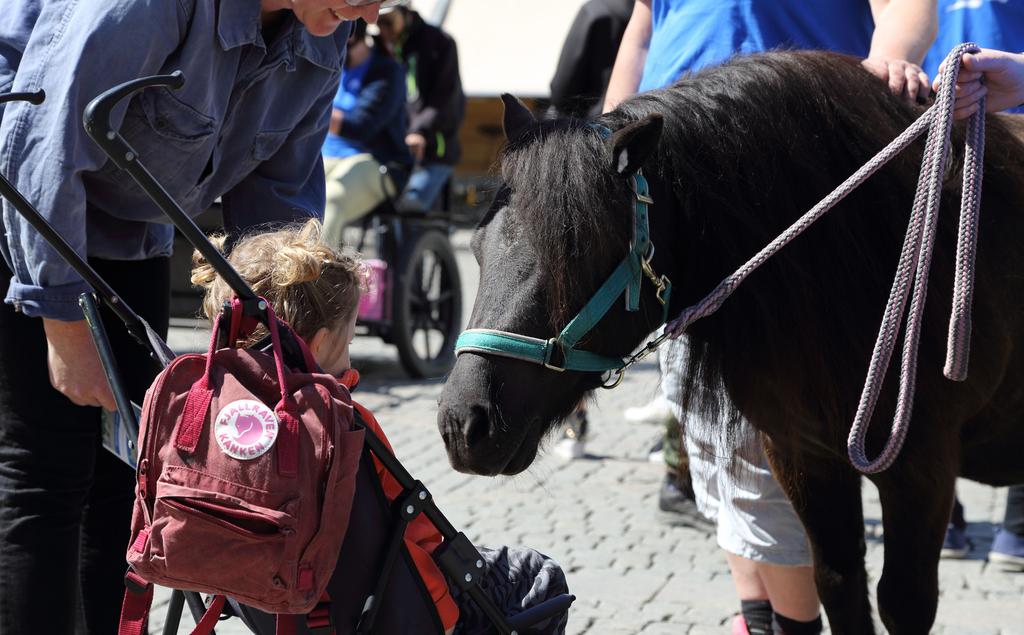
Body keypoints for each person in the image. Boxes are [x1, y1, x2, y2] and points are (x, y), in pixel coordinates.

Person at [0, 2, 396, 633]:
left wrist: (288, 344)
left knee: (130, 479)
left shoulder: (327, 20)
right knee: (45, 477)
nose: (370, 11)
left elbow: (278, 201)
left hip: (133, 230)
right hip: (24, 207)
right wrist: (63, 324)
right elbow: (44, 142)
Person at [603, 1, 937, 633]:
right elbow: (646, 23)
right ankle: (760, 616)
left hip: (793, 161)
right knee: (713, 431)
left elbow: (908, 5)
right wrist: (609, 128)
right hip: (675, 167)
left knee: (777, 437)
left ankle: (791, 623)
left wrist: (889, 62)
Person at [190, 220, 570, 635]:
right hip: (382, 616)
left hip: (276, 609)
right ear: (316, 346)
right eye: (349, 342)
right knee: (539, 577)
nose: (350, 361)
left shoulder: (215, 420)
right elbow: (413, 539)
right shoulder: (343, 427)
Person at [321, 18, 412, 247]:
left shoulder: (388, 72)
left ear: (355, 39)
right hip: (325, 156)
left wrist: (310, 108)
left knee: (331, 200)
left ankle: (316, 279)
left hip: (376, 161)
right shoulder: (332, 63)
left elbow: (361, 126)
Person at [376, 4, 466, 212]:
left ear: (405, 13)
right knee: (386, 216)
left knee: (412, 210)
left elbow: (445, 98)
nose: (383, 30)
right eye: (378, 24)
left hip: (435, 148)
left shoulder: (438, 42)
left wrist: (419, 130)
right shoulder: (382, 47)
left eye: (388, 22)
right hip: (396, 151)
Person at [549, 0, 635, 119]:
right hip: (636, 120)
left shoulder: (594, 10)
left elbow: (561, 90)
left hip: (590, 125)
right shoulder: (659, 15)